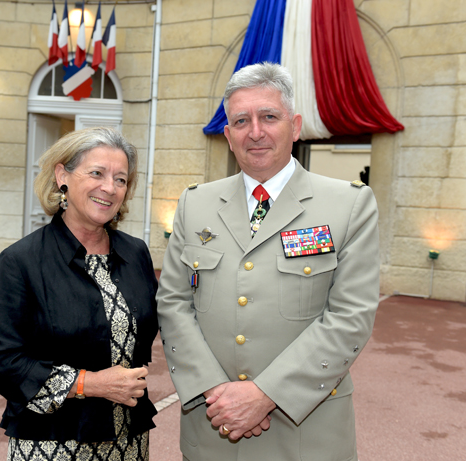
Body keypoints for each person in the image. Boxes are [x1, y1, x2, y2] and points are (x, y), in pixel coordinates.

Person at [157, 62, 379, 460]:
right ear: (227, 135)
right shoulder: (196, 203)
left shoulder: (349, 204)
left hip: (305, 432)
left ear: (294, 127)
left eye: (269, 117)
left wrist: (264, 395)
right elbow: (173, 302)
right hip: (213, 426)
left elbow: (350, 316)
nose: (255, 132)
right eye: (241, 121)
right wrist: (216, 393)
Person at [0, 127, 158, 461]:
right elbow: (1, 362)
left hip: (128, 442)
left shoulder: (136, 254)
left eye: (121, 179)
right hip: (54, 441)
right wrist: (90, 384)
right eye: (97, 173)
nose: (109, 187)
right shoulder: (22, 261)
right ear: (62, 175)